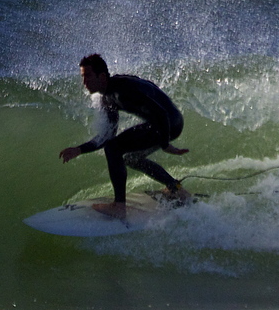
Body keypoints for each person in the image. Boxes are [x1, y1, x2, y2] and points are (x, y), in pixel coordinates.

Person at [59, 53, 190, 218]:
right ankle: (176, 188)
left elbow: (161, 112)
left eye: (88, 76)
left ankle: (119, 207)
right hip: (163, 124)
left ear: (102, 76)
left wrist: (165, 144)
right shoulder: (108, 98)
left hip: (168, 122)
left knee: (114, 147)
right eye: (83, 77)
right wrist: (79, 150)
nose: (84, 83)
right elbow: (108, 135)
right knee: (129, 157)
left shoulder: (122, 90)